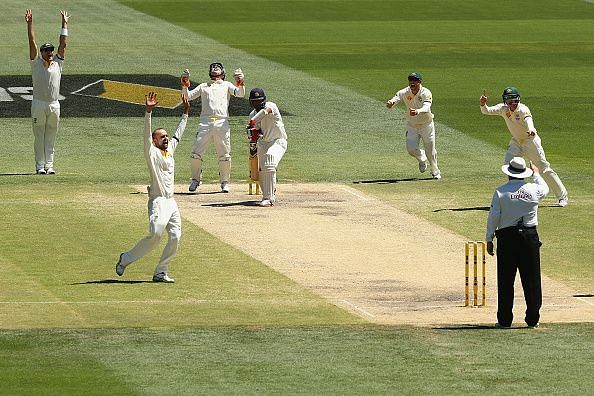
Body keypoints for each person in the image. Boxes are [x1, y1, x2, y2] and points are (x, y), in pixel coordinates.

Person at [115, 92, 190, 283]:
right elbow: (146, 136)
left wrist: (185, 113)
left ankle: (161, 271)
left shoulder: (170, 150)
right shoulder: (152, 153)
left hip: (171, 202)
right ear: (155, 141)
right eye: (161, 137)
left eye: (166, 136)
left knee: (175, 236)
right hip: (157, 200)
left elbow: (179, 133)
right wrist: (148, 112)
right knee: (156, 234)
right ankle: (126, 259)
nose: (166, 138)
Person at [485, 157, 549, 328]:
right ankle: (533, 319)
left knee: (506, 280)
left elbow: (494, 217)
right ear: (523, 174)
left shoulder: (500, 192)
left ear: (509, 174)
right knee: (532, 279)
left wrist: (489, 238)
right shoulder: (534, 190)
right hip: (529, 236)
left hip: (507, 238)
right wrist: (536, 173)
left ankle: (505, 320)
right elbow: (546, 188)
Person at [480, 87, 568, 207]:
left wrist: (531, 129)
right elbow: (486, 111)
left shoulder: (523, 109)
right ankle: (513, 195)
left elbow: (528, 119)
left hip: (530, 142)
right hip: (516, 142)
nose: (512, 103)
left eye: (514, 100)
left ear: (518, 99)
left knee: (544, 168)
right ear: (505, 100)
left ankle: (562, 196)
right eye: (509, 101)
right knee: (508, 166)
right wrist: (483, 104)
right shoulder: (503, 109)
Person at [180, 63, 246, 193]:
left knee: (225, 155)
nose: (215, 68)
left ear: (223, 72)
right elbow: (188, 96)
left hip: (222, 122)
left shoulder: (226, 85)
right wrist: (185, 83)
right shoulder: (203, 86)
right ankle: (195, 179)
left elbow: (240, 94)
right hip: (205, 122)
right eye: (213, 67)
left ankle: (225, 182)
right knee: (196, 153)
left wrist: (240, 81)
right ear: (210, 72)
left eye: (218, 67)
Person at [25, 9, 69, 174]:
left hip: (54, 104)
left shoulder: (58, 63)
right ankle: (39, 166)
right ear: (42, 53)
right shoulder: (35, 63)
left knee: (51, 136)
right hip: (38, 104)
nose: (50, 53)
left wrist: (64, 24)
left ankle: (49, 166)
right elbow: (32, 42)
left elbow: (63, 44)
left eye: (51, 50)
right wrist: (30, 24)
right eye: (47, 51)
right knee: (39, 136)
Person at [386, 72, 441, 179]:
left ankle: (435, 171)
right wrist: (391, 103)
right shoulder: (405, 92)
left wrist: (418, 111)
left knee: (430, 150)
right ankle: (421, 158)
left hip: (426, 125)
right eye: (410, 80)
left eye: (414, 80)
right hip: (412, 125)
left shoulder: (426, 92)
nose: (412, 82)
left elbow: (427, 106)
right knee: (411, 149)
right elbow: (396, 98)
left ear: (419, 82)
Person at [246, 88, 288, 207]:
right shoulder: (252, 115)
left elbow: (266, 111)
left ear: (264, 100)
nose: (257, 103)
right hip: (264, 143)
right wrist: (253, 137)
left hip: (278, 141)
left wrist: (252, 121)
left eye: (259, 101)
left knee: (269, 161)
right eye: (255, 101)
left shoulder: (271, 106)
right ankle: (267, 194)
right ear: (251, 102)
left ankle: (269, 199)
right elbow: (258, 133)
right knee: (263, 169)